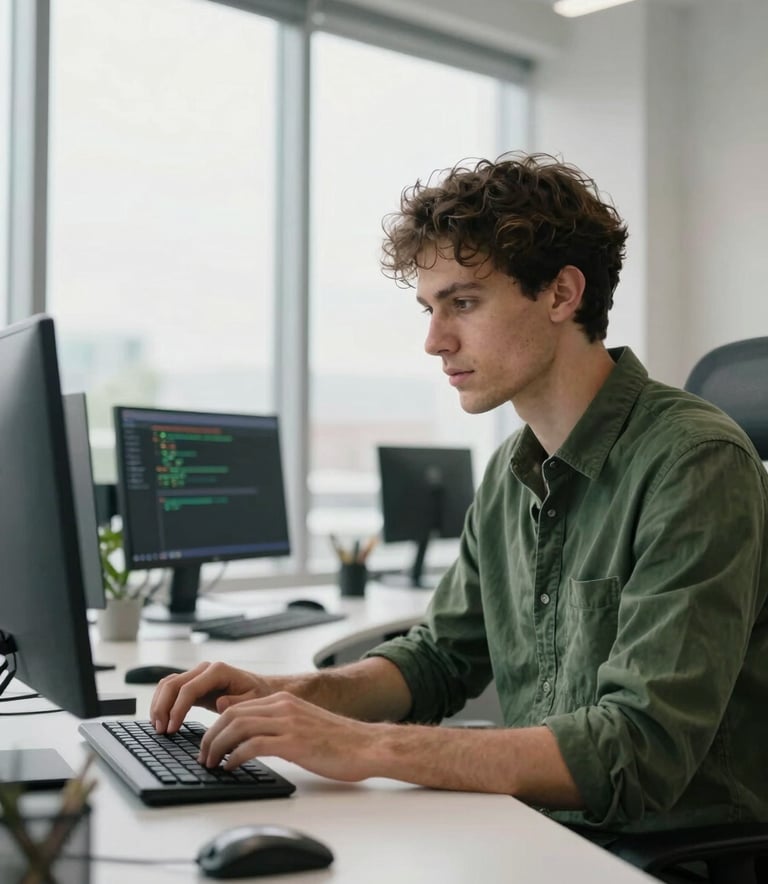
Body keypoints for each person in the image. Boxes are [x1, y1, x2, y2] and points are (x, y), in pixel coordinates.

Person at [150, 152, 768, 835]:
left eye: (463, 304)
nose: (434, 341)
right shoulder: (512, 470)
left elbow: (637, 751)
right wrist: (290, 694)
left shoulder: (694, 463)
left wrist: (365, 746)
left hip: (664, 856)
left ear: (563, 294)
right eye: (428, 309)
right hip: (541, 831)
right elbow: (439, 659)